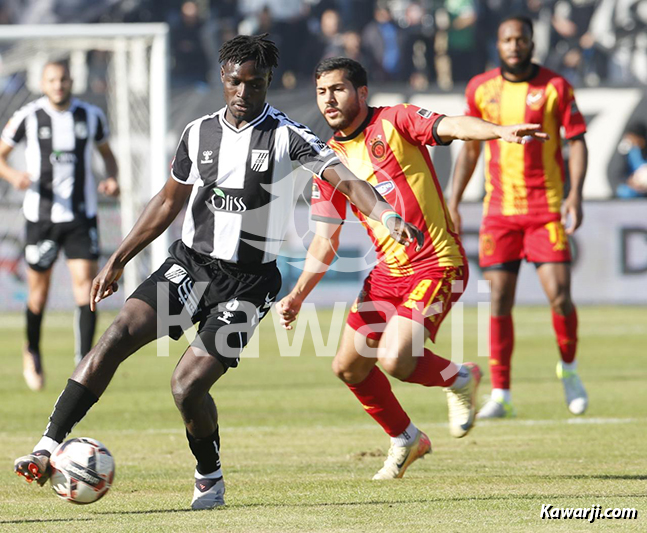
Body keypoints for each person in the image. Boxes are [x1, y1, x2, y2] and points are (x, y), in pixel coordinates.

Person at [13, 35, 423, 510]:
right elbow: (168, 201)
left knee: (186, 387)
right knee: (117, 335)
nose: (243, 93)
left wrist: (386, 214)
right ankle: (46, 447)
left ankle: (209, 476)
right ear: (223, 80)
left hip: (249, 286)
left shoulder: (289, 136)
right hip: (190, 265)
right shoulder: (198, 133)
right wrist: (119, 257)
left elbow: (347, 180)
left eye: (254, 84)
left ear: (269, 82)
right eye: (234, 82)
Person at [276, 57, 548, 479]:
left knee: (396, 359)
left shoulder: (396, 121)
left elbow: (453, 125)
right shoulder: (328, 161)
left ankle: (459, 377)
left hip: (438, 263)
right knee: (348, 367)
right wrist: (297, 296)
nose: (329, 99)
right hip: (388, 276)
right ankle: (406, 438)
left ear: (362, 93)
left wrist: (499, 131)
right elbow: (325, 241)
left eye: (338, 89)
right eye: (321, 91)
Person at [448, 15, 589, 419]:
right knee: (499, 303)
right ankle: (502, 393)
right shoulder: (481, 88)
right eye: (507, 39)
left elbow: (577, 143)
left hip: (545, 209)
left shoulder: (555, 87)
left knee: (559, 296)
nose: (514, 45)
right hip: (500, 213)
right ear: (498, 44)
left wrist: (574, 195)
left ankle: (570, 370)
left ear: (531, 43)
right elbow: (470, 149)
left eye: (521, 39)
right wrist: (453, 200)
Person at [0, 61, 119, 391]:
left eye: (64, 79)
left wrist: (111, 177)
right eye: (52, 79)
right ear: (43, 83)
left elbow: (108, 155)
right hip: (41, 218)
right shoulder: (28, 116)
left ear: (71, 81)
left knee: (86, 284)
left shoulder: (90, 116)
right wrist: (14, 176)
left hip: (81, 216)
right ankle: (32, 351)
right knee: (39, 293)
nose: (58, 85)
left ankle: (84, 361)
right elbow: (1, 156)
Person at [616, 121, 647, 198]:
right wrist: (631, 182)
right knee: (623, 191)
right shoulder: (629, 152)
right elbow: (621, 174)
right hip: (635, 189)